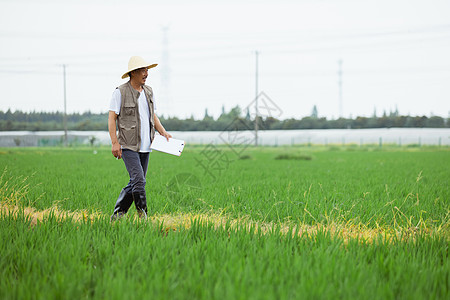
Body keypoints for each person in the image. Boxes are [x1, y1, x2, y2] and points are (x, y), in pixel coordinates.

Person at [108, 56, 172, 221]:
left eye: (147, 70)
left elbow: (153, 116)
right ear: (133, 73)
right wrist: (115, 143)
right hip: (128, 145)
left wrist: (163, 132)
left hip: (146, 145)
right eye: (143, 70)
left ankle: (117, 215)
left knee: (136, 182)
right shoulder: (120, 92)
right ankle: (142, 215)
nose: (146, 74)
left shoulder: (149, 91)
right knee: (139, 180)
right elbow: (111, 118)